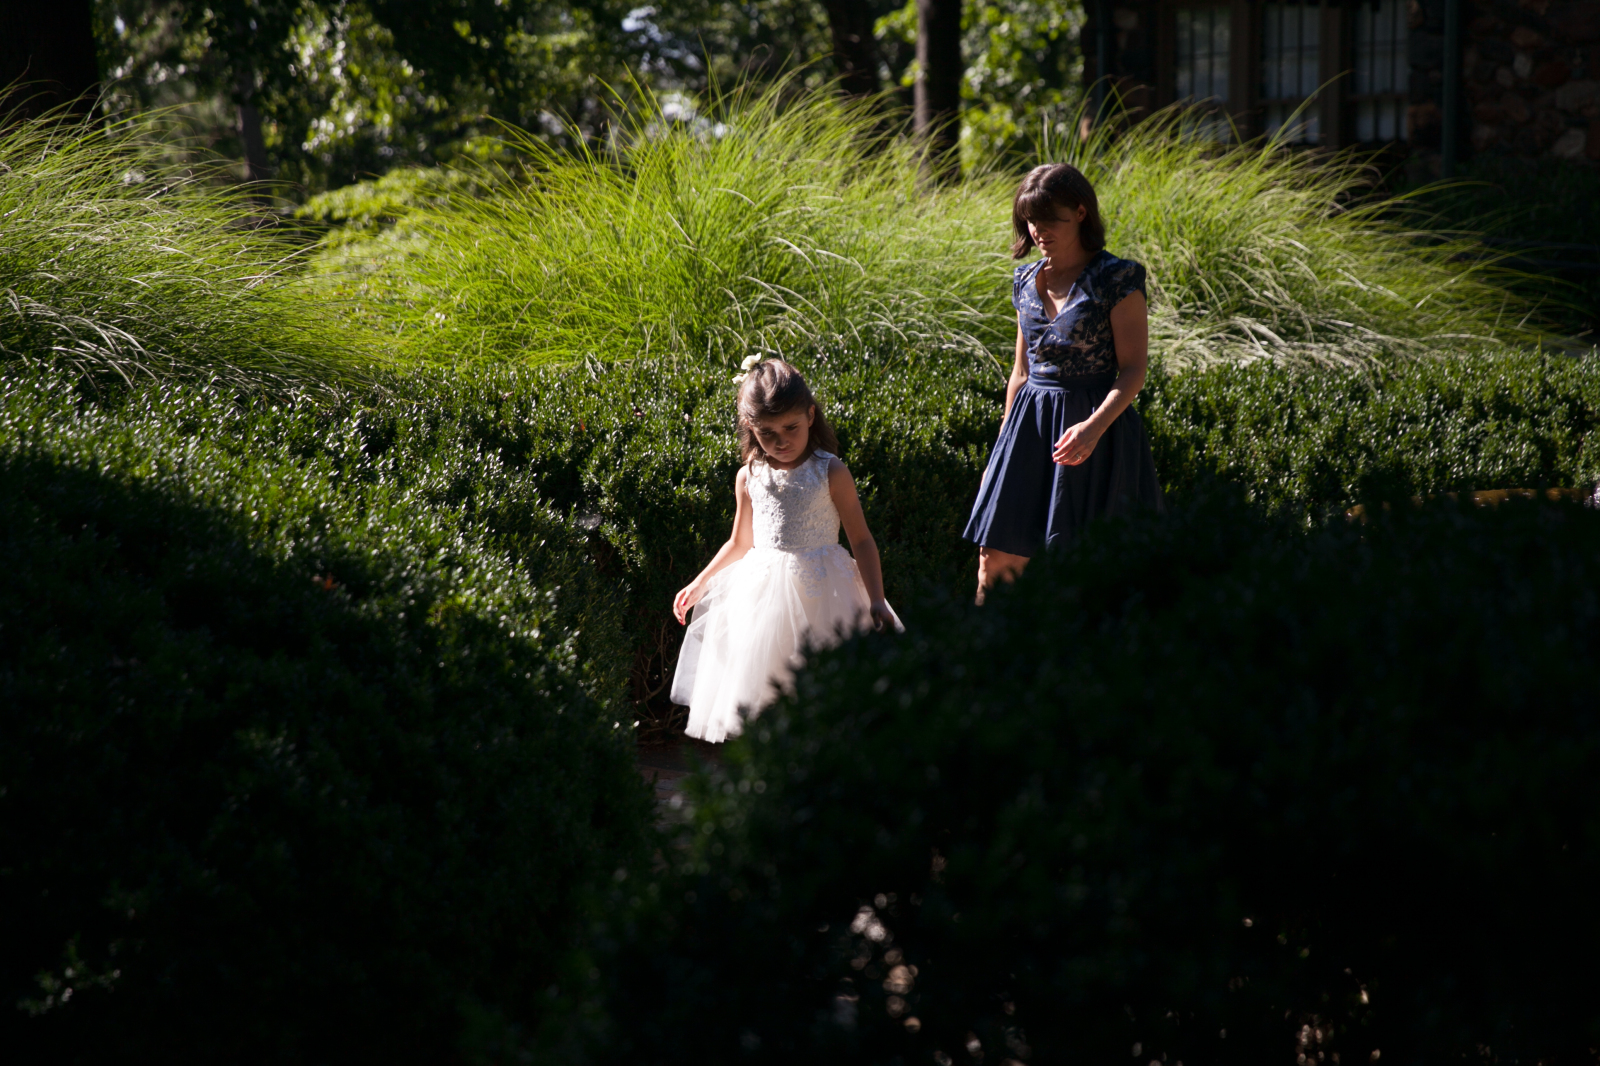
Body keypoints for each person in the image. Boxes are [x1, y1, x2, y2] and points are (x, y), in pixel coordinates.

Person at [670, 357, 902, 742]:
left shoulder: (830, 471)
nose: (781, 441)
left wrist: (877, 598)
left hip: (824, 591)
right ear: (750, 427)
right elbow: (740, 542)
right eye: (767, 432)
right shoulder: (749, 476)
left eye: (791, 428)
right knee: (765, 688)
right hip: (761, 598)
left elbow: (861, 538)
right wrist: (701, 583)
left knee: (826, 688)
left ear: (810, 415)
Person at [963, 162, 1164, 604]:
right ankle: (984, 647)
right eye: (1030, 220)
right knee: (994, 560)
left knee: (1095, 572)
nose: (1038, 230)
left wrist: (1093, 428)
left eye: (1049, 218)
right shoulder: (1024, 280)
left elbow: (1134, 370)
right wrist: (1001, 452)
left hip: (1096, 432)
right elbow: (1020, 372)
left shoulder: (1117, 278)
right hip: (1028, 429)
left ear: (1080, 212)